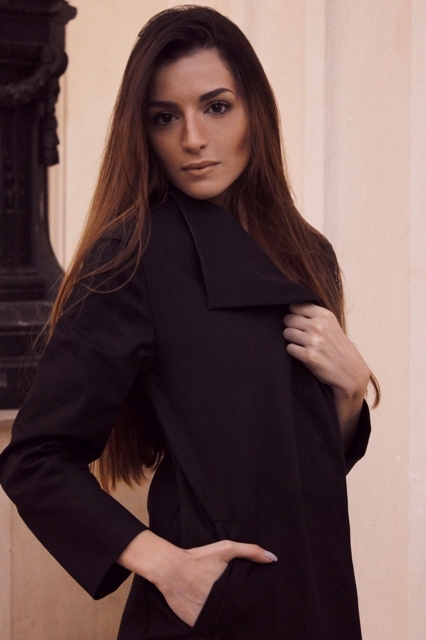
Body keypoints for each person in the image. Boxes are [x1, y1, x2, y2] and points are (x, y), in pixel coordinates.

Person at [0, 6, 378, 640]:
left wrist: (350, 390)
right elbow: (35, 459)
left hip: (316, 598)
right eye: (165, 117)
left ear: (255, 112)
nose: (193, 139)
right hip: (207, 615)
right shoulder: (132, 258)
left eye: (216, 107)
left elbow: (294, 463)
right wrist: (167, 566)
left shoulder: (309, 253)